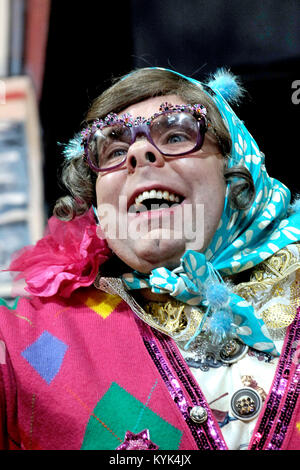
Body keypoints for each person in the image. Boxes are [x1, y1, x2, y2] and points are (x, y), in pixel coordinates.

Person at [1, 67, 300, 451]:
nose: (140, 153)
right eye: (114, 150)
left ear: (236, 169)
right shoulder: (18, 329)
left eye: (176, 135)